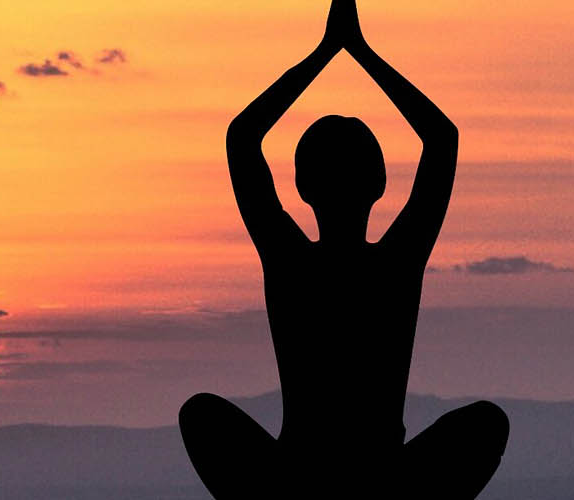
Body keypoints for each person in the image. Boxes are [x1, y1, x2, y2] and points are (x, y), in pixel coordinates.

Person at [178, 0, 508, 498]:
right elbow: (441, 139)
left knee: (200, 414)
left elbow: (243, 138)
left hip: (300, 475)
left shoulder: (290, 260)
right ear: (379, 184)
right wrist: (359, 51)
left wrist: (327, 51)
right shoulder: (396, 262)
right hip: (381, 477)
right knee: (486, 424)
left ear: (302, 187)